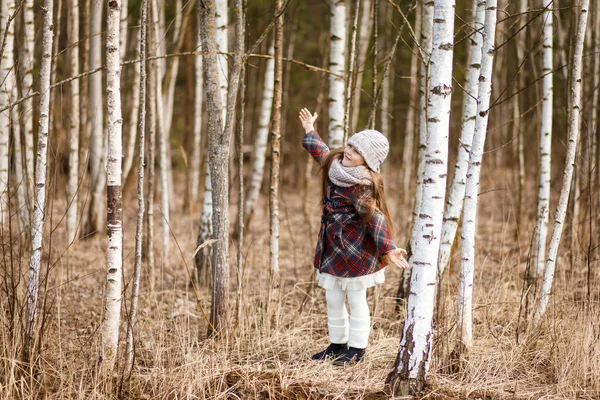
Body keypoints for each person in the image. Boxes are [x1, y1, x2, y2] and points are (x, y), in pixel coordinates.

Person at [299, 108, 409, 366]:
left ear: (367, 161)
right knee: (333, 298)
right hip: (332, 248)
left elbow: (375, 217)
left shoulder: (361, 185)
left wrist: (389, 248)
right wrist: (309, 129)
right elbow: (321, 152)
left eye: (357, 151)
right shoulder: (335, 166)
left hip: (355, 251)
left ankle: (358, 349)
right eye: (350, 145)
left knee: (356, 300)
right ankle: (337, 344)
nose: (349, 151)